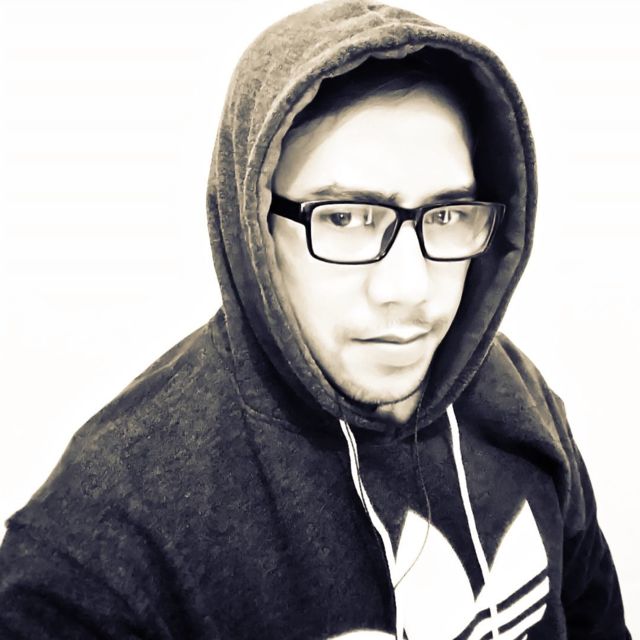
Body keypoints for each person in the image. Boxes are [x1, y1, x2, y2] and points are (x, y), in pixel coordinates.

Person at [0, 0, 631, 638]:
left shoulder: (516, 396)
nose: (410, 291)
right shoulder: (108, 536)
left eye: (445, 215)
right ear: (252, 228)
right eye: (345, 217)